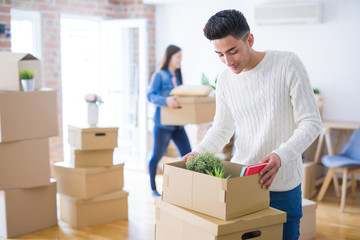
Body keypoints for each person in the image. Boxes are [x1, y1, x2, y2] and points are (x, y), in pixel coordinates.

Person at [182, 10, 321, 240]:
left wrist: (281, 155)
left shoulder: (287, 64)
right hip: (242, 184)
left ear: (250, 39)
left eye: (232, 51)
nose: (228, 62)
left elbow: (311, 122)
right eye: (219, 54)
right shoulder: (225, 79)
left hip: (282, 185)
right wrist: (199, 152)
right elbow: (222, 128)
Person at [147, 45, 192, 197]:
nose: (180, 60)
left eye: (181, 57)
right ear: (170, 57)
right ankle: (153, 189)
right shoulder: (159, 75)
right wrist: (166, 100)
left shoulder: (178, 76)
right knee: (156, 156)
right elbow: (150, 96)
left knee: (188, 155)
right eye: (178, 57)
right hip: (163, 125)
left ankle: (187, 188)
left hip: (178, 125)